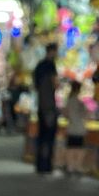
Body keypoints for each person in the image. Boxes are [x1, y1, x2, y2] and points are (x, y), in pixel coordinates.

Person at [33, 43, 59, 175]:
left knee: (42, 136)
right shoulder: (50, 66)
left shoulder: (39, 66)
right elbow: (55, 83)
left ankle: (40, 164)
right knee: (48, 137)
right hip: (49, 106)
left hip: (41, 105)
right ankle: (46, 164)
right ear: (52, 51)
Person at [64, 79, 88, 175]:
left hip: (71, 128)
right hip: (80, 128)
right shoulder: (80, 102)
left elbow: (66, 114)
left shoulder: (69, 101)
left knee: (70, 148)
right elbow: (85, 115)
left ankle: (70, 166)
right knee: (79, 149)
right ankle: (78, 166)